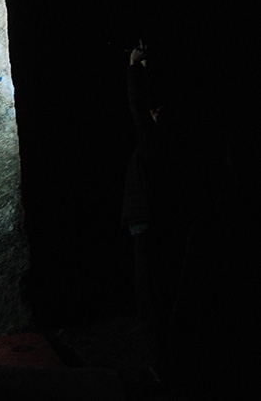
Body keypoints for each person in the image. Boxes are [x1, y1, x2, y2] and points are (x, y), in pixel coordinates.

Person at [121, 42, 201, 386]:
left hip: (148, 227)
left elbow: (138, 109)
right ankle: (168, 365)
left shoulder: (158, 146)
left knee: (152, 300)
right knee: (160, 297)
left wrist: (133, 68)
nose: (152, 114)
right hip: (153, 226)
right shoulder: (177, 150)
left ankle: (163, 370)